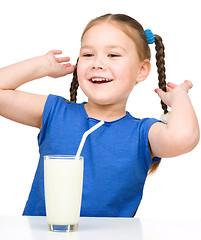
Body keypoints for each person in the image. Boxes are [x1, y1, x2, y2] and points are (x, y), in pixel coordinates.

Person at [0, 14, 199, 217]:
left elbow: (184, 137)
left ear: (141, 70)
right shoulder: (56, 112)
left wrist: (180, 97)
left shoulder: (142, 133)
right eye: (88, 55)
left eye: (112, 55)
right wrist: (41, 65)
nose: (97, 63)